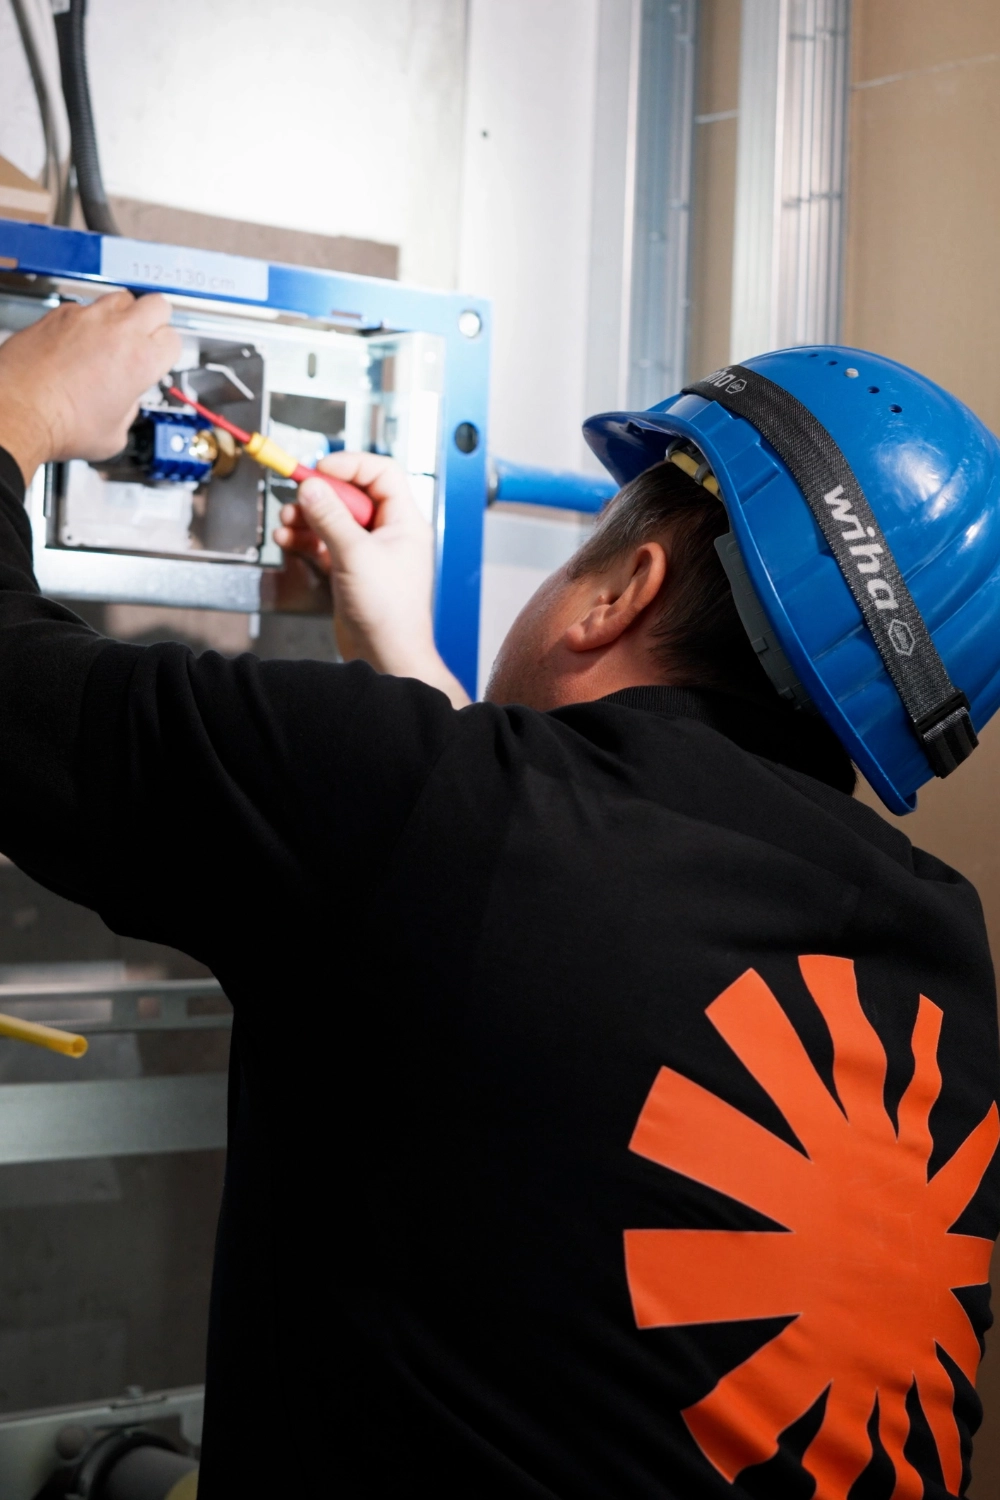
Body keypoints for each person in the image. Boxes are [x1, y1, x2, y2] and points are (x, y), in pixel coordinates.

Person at [0, 289, 996, 1500]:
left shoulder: (442, 823)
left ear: (619, 591)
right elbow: (535, 913)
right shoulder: (940, 965)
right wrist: (403, 655)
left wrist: (21, 406)